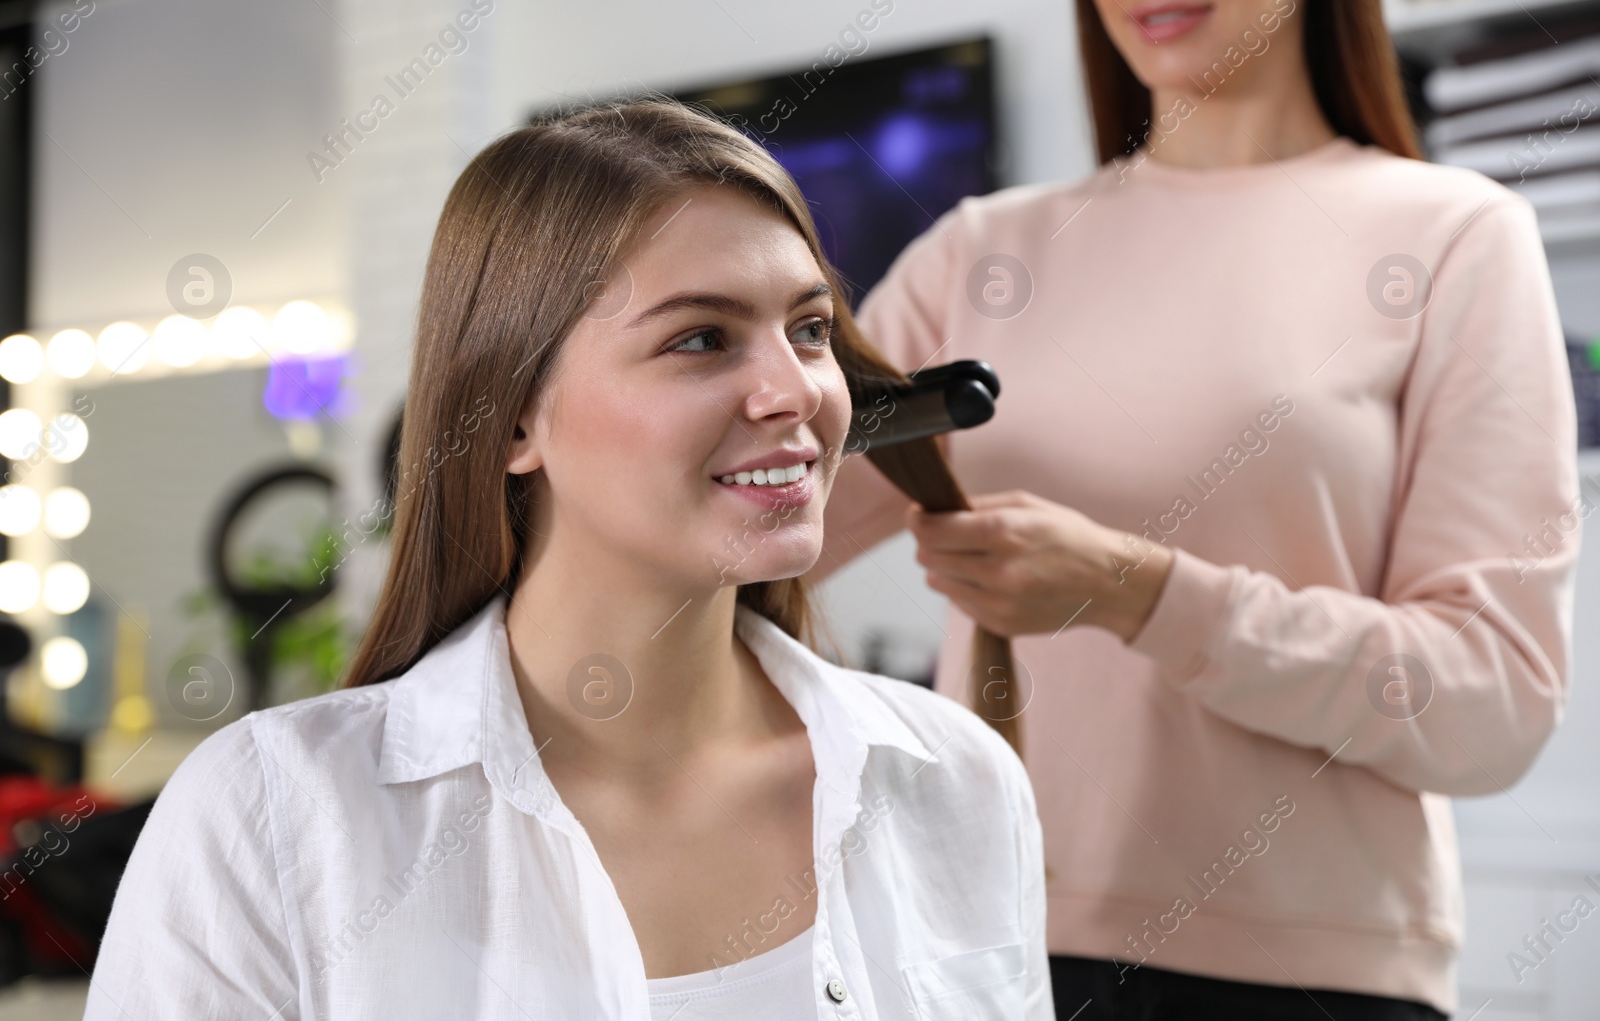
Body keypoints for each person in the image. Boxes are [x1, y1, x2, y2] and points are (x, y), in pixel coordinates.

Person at [84, 101, 1052, 1019]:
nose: (793, 389)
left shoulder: (954, 776)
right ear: (508, 419)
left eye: (806, 329)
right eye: (701, 338)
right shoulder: (275, 814)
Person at [809, 0, 1580, 1019]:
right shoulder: (979, 253)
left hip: (1302, 978)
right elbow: (745, 528)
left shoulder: (1453, 233)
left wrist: (1143, 592)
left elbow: (1492, 704)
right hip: (981, 946)